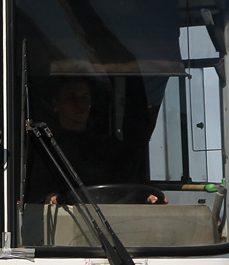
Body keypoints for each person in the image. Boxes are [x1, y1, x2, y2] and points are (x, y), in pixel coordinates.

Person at [28, 77, 161, 205]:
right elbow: (35, 193)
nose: (79, 104)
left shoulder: (110, 147)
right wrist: (50, 198)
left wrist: (147, 196)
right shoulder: (44, 149)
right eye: (70, 98)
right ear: (55, 105)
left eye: (84, 97)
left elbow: (130, 184)